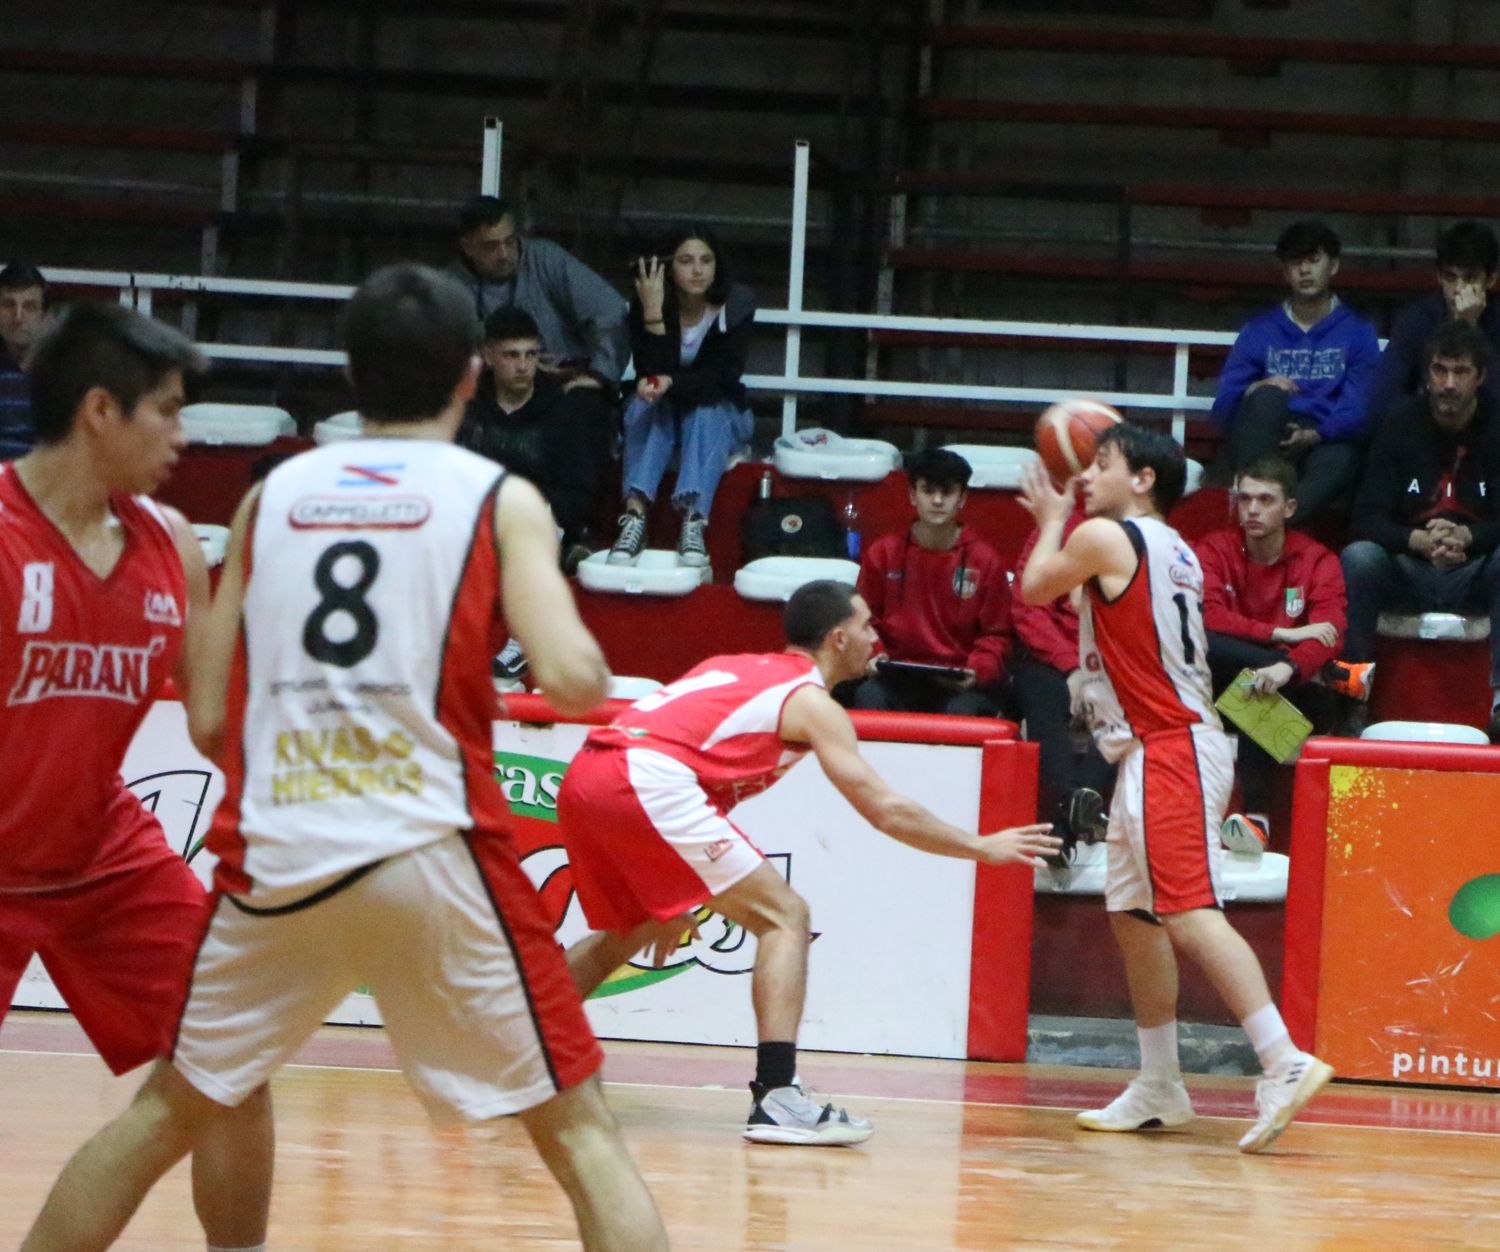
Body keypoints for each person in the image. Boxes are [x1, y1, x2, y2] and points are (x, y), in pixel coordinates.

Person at [21, 265, 668, 1252]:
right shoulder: (498, 496)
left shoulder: (270, 497)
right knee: (581, 1132)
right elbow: (575, 679)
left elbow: (204, 714)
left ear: (350, 375)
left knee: (163, 1116)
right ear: (466, 376)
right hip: (430, 850)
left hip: (279, 858)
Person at [558, 579, 1060, 1145]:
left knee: (629, 932)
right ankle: (777, 1096)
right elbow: (886, 809)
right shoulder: (810, 702)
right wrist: (980, 846)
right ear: (839, 637)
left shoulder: (734, 665)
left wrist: (665, 896)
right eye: (868, 626)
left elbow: (680, 744)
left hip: (588, 775)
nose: (877, 637)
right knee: (785, 917)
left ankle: (516, 1050)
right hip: (645, 781)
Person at [2, 303, 274, 1251]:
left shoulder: (168, 549)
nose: (182, 435)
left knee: (233, 1058)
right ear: (100, 411)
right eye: (166, 410)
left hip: (102, 855)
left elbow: (209, 724)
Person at [1018, 423, 1333, 1154]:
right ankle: (1160, 1083)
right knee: (1133, 912)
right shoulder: (1175, 547)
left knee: (1189, 911)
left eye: (1102, 464)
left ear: (1144, 480)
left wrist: (1048, 521)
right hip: (1147, 748)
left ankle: (1284, 1061)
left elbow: (1036, 589)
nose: (1087, 477)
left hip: (1172, 747)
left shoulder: (1107, 536)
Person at [1341, 318, 1500, 741]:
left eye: (1460, 371)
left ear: (1480, 376)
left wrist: (1470, 538)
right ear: (1426, 374)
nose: (1448, 383)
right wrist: (1417, 540)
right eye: (1439, 370)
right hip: (1409, 568)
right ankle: (1351, 695)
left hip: (1476, 569)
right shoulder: (1399, 423)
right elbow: (1365, 518)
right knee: (1358, 558)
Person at [1195, 456, 1352, 847]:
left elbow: (1331, 632)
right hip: (1232, 687)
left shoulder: (1318, 560)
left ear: (1289, 508)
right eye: (1245, 499)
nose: (1252, 509)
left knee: (1256, 688)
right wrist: (1282, 642)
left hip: (1299, 693)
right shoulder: (1214, 549)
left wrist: (1289, 668)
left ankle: (1257, 818)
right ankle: (1257, 819)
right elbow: (1207, 618)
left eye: (1265, 500)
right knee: (1214, 650)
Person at [1212, 220, 1381, 524]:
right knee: (1267, 397)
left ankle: (1270, 526)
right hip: (1266, 434)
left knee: (1343, 459)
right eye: (1295, 263)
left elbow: (1358, 409)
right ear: (1285, 272)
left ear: (1334, 266)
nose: (1304, 270)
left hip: (1323, 438)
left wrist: (1314, 435)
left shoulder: (1357, 332)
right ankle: (1261, 516)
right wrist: (1258, 388)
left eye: (1314, 260)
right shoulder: (1259, 330)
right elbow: (1224, 407)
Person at [609, 227, 757, 567]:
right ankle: (635, 516)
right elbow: (650, 369)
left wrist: (670, 382)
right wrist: (653, 313)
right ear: (667, 267)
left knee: (705, 411)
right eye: (686, 261)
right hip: (667, 410)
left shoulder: (736, 304)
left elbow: (722, 378)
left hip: (722, 409)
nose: (698, 270)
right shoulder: (645, 303)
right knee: (647, 405)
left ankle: (694, 521)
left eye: (706, 260)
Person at [842, 448, 1013, 717]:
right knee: (868, 695)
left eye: (947, 492)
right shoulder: (883, 553)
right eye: (928, 490)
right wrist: (875, 654)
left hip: (959, 686)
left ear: (962, 498)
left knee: (965, 710)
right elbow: (865, 620)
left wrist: (978, 668)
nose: (937, 500)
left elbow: (997, 634)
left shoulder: (985, 561)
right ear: (912, 495)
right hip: (895, 678)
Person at [459, 305, 611, 569]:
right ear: (488, 355)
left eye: (530, 354)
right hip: (476, 520)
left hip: (538, 522)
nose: (523, 366)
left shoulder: (562, 410)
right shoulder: (466, 409)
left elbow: (577, 492)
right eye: (511, 355)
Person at [1010, 494, 1114, 864]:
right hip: (1052, 661)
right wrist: (1072, 667)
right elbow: (1028, 608)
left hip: (1114, 666)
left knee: (1123, 705)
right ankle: (1075, 805)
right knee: (1041, 689)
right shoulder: (1057, 528)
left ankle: (1063, 823)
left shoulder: (1143, 537)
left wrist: (1096, 673)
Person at [448, 194, 629, 392]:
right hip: (492, 390)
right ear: (467, 247)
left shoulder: (545, 259)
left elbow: (608, 312)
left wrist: (599, 375)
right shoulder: (450, 288)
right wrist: (510, 363)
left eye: (509, 241)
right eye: (491, 246)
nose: (504, 254)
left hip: (568, 380)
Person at [1373, 220, 1500, 422]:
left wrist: (1468, 329)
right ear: (1439, 276)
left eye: (1470, 278)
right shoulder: (1413, 321)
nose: (1458, 289)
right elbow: (1382, 401)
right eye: (1450, 277)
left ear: (1491, 279)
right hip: (1424, 434)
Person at [0, 261, 48, 455]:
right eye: (8, 305)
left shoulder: (63, 372)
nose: (18, 317)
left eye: (29, 307)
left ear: (43, 316)